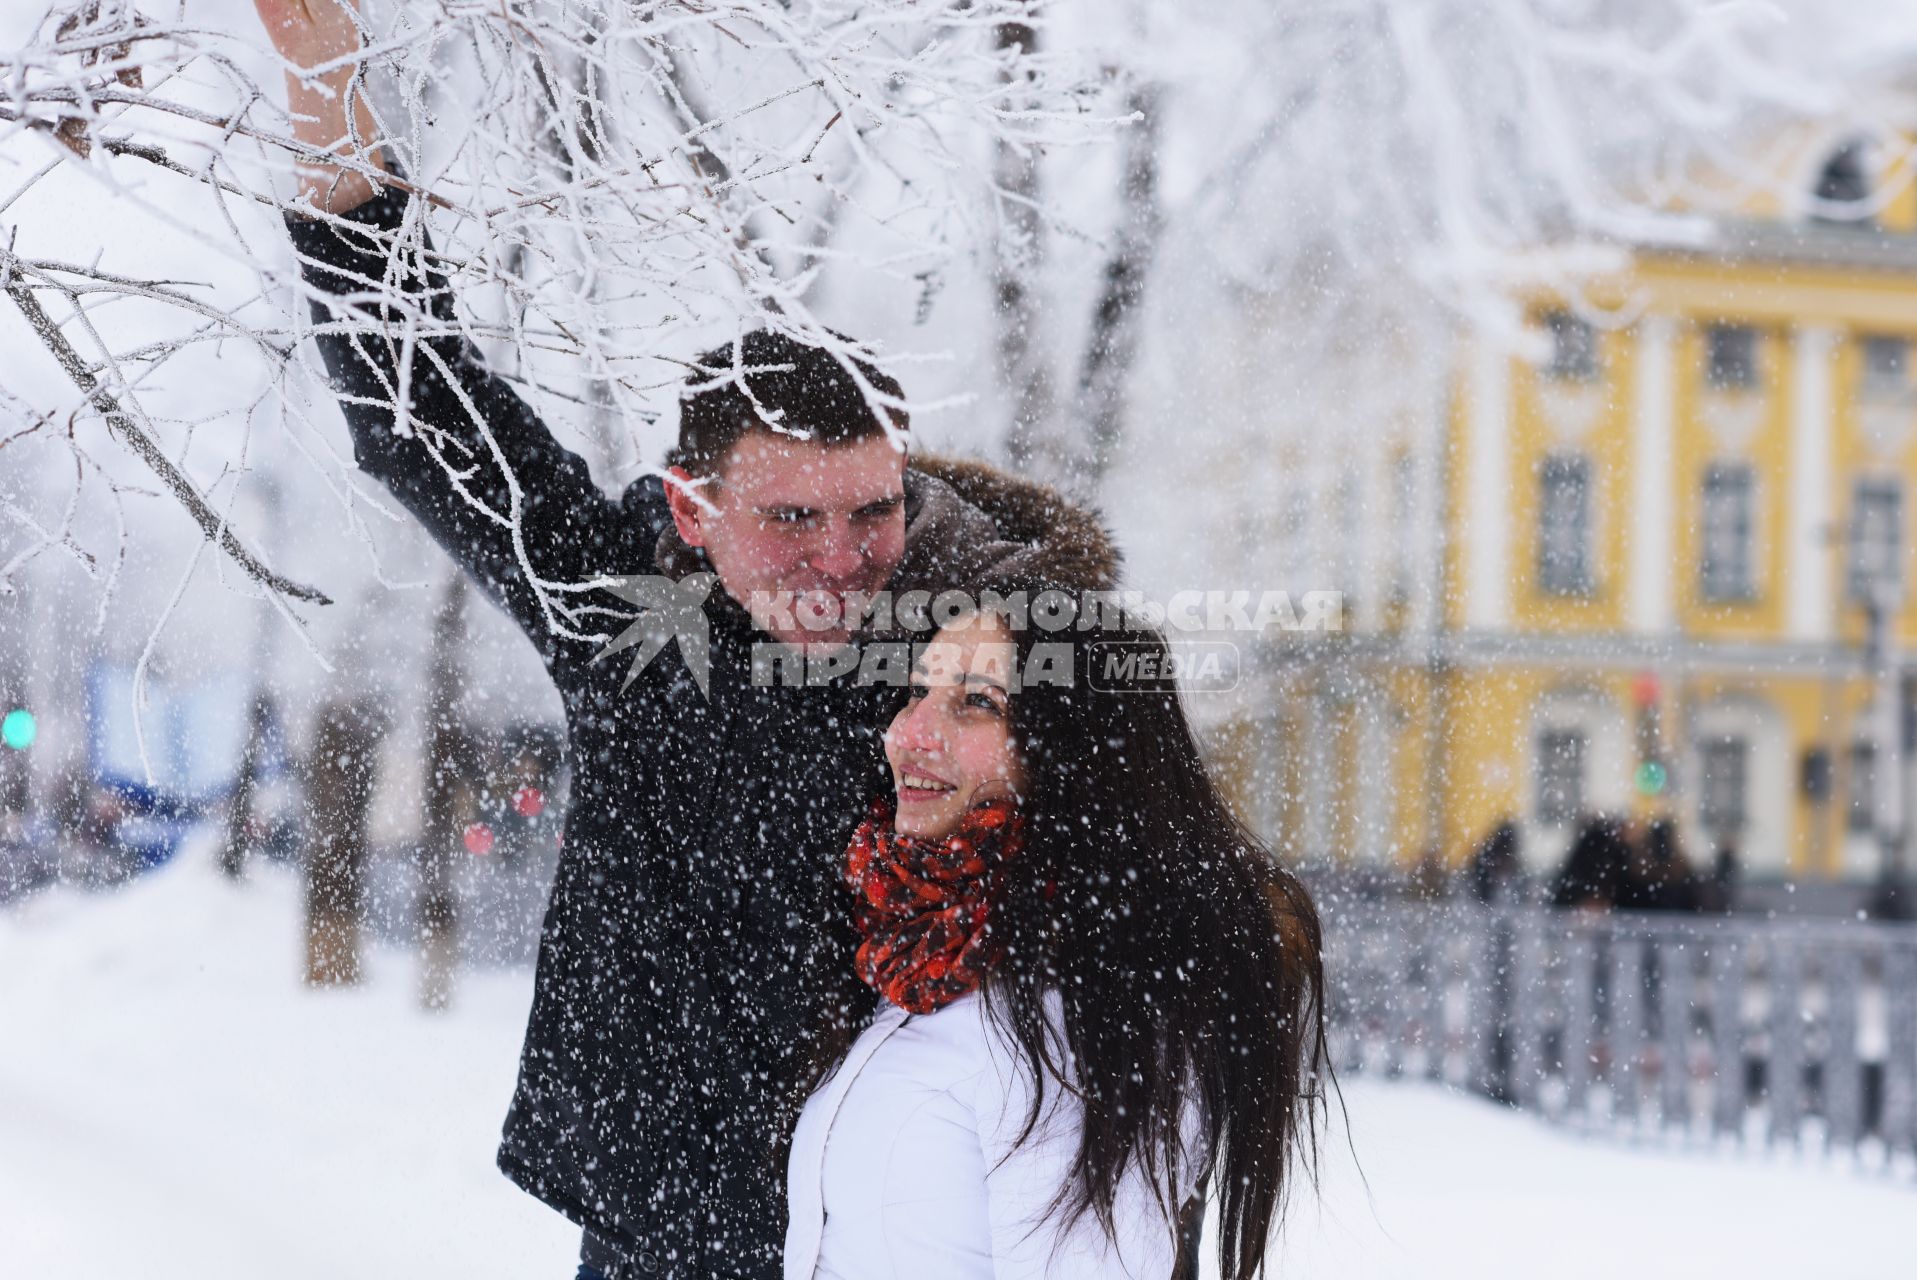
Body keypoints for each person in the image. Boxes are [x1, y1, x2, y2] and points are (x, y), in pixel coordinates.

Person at [253, 4, 1121, 1275]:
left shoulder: (989, 646)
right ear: (690, 515)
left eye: (874, 510)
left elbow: (1147, 886)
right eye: (792, 520)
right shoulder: (634, 614)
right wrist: (316, 66)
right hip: (656, 1217)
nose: (841, 558)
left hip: (893, 1213)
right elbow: (417, 400)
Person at [785, 598, 1327, 1280]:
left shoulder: (1087, 1013)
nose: (910, 733)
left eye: (976, 702)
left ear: (1072, 749)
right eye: (918, 690)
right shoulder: (920, 947)